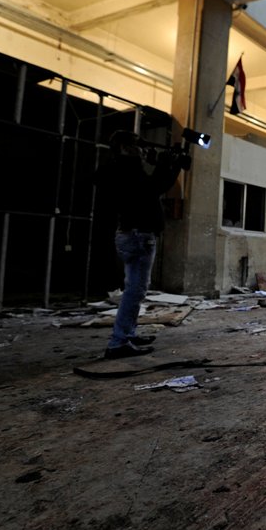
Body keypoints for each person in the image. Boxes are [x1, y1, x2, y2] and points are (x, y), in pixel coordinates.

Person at [94, 130, 189, 359]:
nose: (142, 148)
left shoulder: (119, 168)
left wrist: (168, 164)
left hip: (132, 233)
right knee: (135, 291)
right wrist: (167, 165)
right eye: (137, 145)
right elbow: (154, 188)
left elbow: (153, 187)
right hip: (138, 234)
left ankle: (128, 333)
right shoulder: (127, 169)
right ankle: (118, 343)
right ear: (125, 148)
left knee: (134, 289)